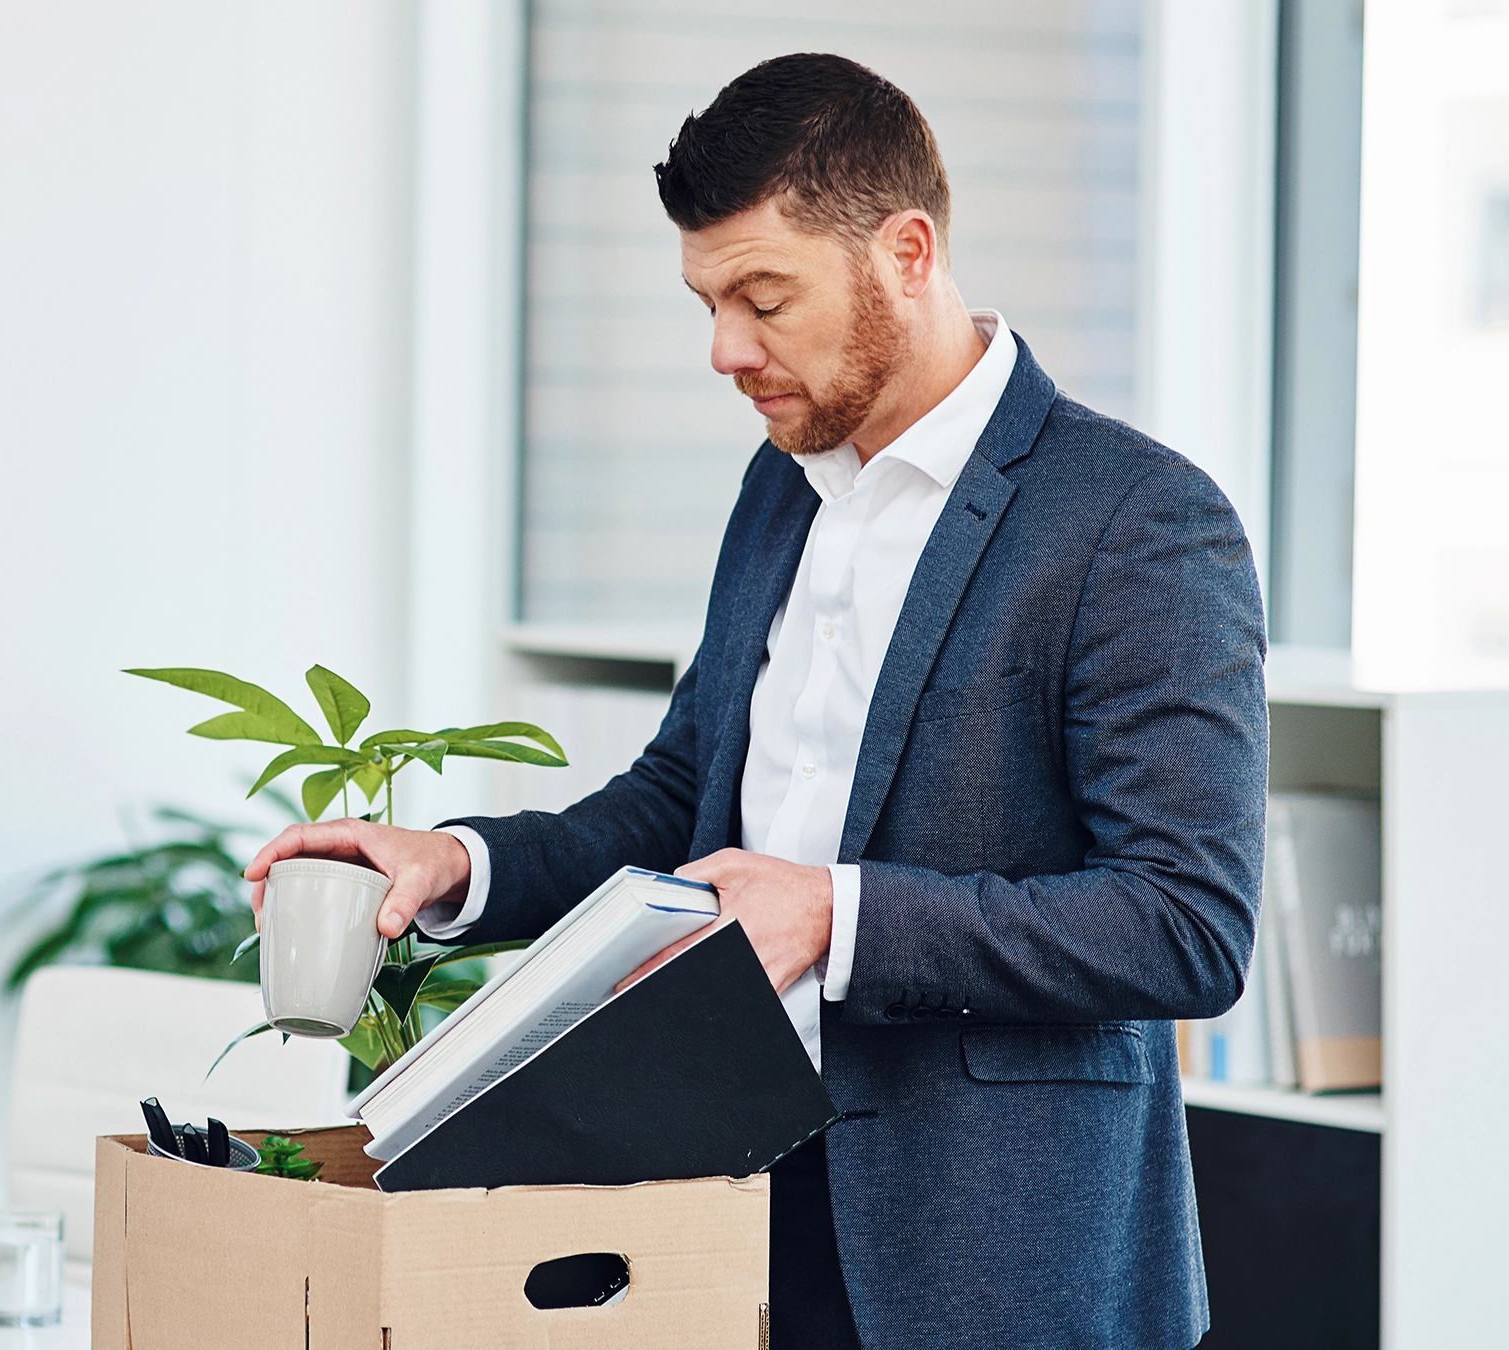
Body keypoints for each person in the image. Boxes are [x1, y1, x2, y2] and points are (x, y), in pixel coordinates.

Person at [248, 52, 1265, 1350]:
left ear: (907, 251)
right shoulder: (783, 486)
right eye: (708, 301)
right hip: (735, 1222)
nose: (727, 348)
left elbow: (1185, 924)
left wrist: (833, 914)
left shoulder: (1136, 522)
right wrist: (457, 864)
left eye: (763, 296)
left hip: (997, 1268)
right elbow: (684, 796)